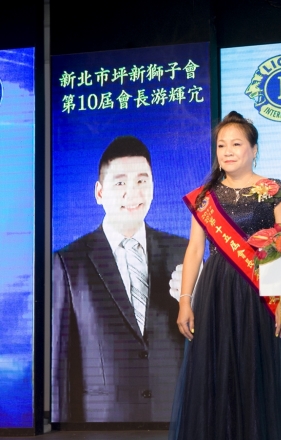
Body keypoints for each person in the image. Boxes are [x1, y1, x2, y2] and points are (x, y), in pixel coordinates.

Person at [168, 112, 281, 440]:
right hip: (216, 292)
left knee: (257, 375)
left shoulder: (273, 190)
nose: (227, 151)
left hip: (260, 291)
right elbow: (194, 250)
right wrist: (185, 301)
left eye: (236, 144)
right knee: (217, 377)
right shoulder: (205, 197)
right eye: (221, 145)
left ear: (254, 149)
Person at [52, 136, 188, 423]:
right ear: (99, 192)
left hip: (175, 416)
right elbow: (59, 362)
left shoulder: (183, 252)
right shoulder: (69, 262)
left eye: (142, 181)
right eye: (120, 183)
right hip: (101, 422)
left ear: (153, 186)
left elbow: (205, 341)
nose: (132, 193)